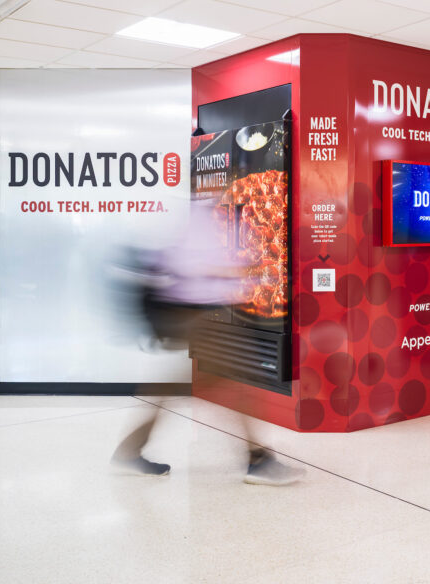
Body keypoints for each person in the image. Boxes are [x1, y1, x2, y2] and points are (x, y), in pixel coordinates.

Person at [110, 203, 304, 486]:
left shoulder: (211, 215)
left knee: (183, 387)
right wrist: (237, 273)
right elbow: (187, 265)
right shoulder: (197, 216)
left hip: (201, 313)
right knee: (237, 388)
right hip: (195, 315)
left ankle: (129, 452)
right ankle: (258, 460)